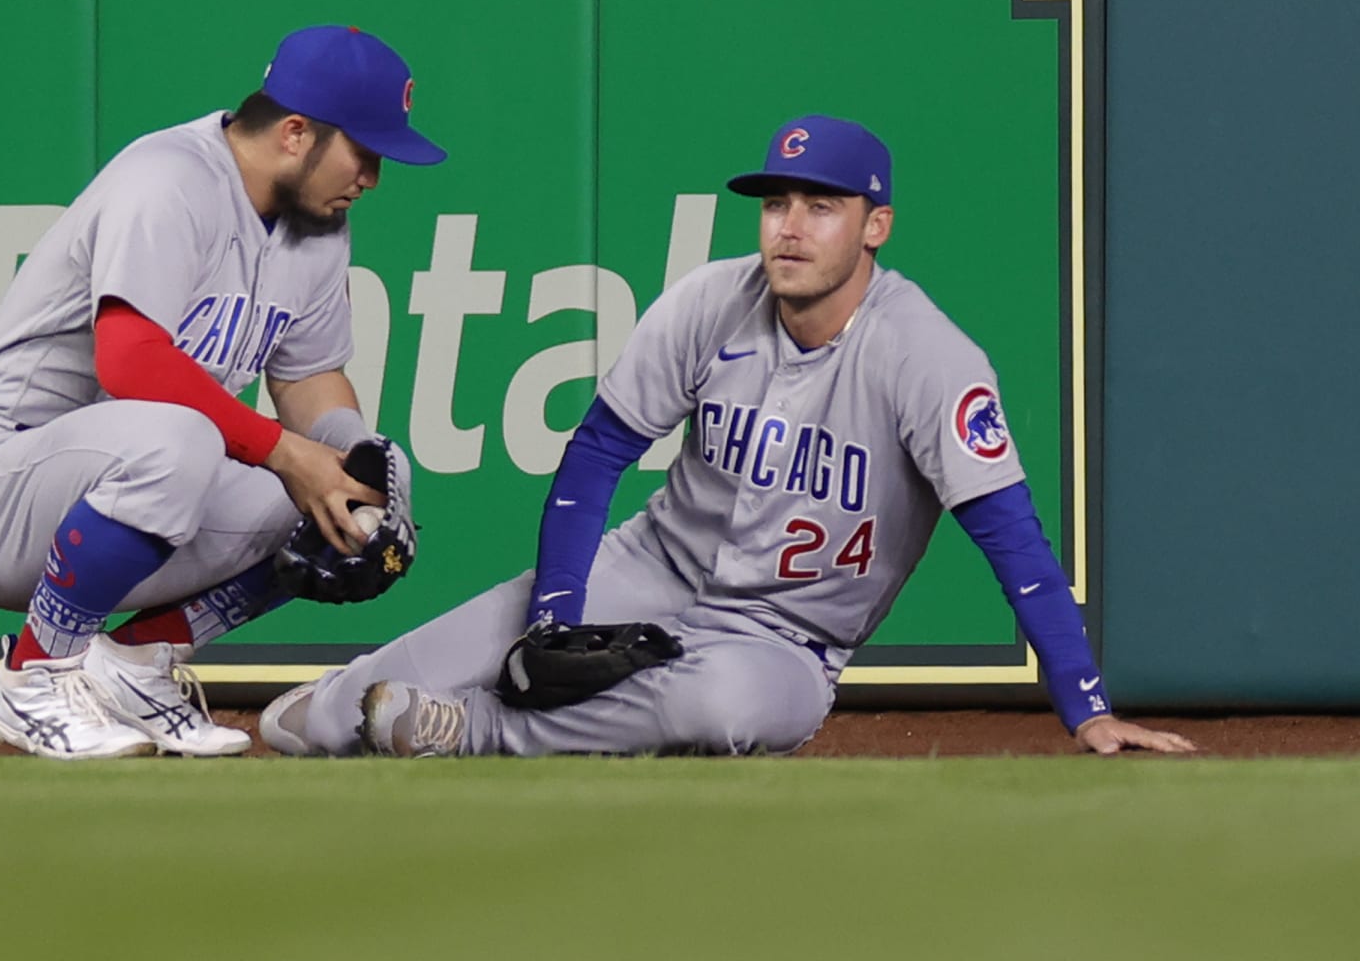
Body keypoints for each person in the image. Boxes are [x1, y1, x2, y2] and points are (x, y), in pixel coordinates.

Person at [261, 115, 1197, 759]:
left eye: (819, 206)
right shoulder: (712, 299)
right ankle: (374, 705)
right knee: (327, 719)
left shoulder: (929, 357)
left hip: (784, 642)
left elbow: (1014, 542)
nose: (788, 229)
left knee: (726, 707)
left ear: (876, 226)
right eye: (776, 203)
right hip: (652, 567)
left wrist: (1088, 709)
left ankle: (472, 733)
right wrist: (554, 617)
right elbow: (595, 459)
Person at [0, 25, 445, 760]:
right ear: (296, 133)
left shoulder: (318, 229)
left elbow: (306, 377)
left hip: (138, 488)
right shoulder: (168, 178)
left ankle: (135, 664)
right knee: (186, 438)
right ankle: (32, 676)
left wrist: (357, 467)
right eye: (366, 152)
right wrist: (288, 453)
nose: (373, 177)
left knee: (344, 493)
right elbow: (131, 363)